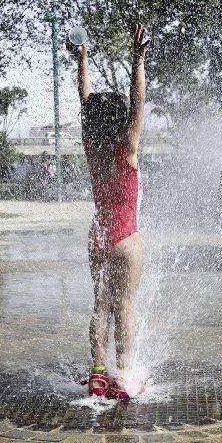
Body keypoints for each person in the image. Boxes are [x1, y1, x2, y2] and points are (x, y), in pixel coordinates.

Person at [68, 23, 149, 401]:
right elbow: (138, 103)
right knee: (125, 308)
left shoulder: (91, 148)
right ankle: (123, 375)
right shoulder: (127, 148)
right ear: (121, 123)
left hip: (98, 235)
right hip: (125, 238)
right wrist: (138, 59)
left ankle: (97, 372)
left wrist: (82, 60)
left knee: (100, 304)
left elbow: (86, 101)